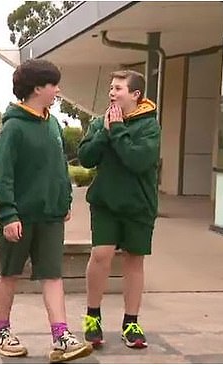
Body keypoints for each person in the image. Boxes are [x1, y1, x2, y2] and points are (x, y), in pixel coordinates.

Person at [0, 59, 93, 363]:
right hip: (18, 218)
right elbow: (2, 175)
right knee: (9, 274)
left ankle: (61, 337)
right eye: (53, 85)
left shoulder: (53, 124)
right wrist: (8, 214)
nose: (58, 90)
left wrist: (64, 202)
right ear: (36, 88)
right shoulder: (13, 128)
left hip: (50, 217)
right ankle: (0, 332)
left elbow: (59, 168)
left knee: (52, 275)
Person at [77, 70, 161, 349]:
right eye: (111, 88)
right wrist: (105, 131)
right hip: (105, 203)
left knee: (134, 260)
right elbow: (86, 157)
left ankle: (131, 322)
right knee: (101, 255)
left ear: (136, 95)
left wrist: (120, 131)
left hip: (139, 205)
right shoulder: (101, 123)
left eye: (119, 88)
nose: (112, 93)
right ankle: (92, 317)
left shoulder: (150, 126)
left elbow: (138, 160)